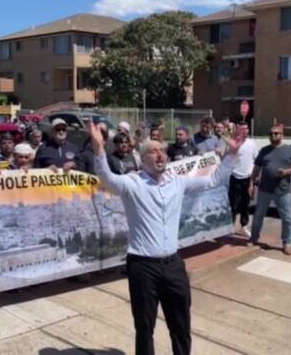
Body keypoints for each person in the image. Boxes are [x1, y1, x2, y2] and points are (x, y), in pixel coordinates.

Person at [88, 120, 245, 355]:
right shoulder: (133, 183)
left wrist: (231, 154)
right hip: (142, 267)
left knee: (181, 325)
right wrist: (99, 148)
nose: (160, 155)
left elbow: (214, 180)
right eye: (154, 151)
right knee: (144, 327)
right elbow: (107, 178)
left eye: (162, 150)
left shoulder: (177, 182)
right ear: (143, 159)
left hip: (173, 265)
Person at [248, 124, 291, 255]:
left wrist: (286, 171)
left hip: (282, 191)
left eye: (276, 133)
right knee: (258, 216)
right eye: (271, 133)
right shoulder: (264, 150)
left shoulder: (290, 150)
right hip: (264, 190)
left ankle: (287, 242)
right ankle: (254, 237)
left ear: (282, 135)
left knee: (287, 218)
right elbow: (256, 169)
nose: (273, 136)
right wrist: (251, 184)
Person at [228, 121, 258, 237]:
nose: (244, 131)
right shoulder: (234, 143)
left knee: (245, 204)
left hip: (248, 179)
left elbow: (256, 161)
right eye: (242, 129)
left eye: (246, 129)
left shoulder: (252, 144)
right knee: (233, 205)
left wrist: (254, 179)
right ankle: (230, 227)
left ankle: (243, 227)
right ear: (238, 130)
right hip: (234, 177)